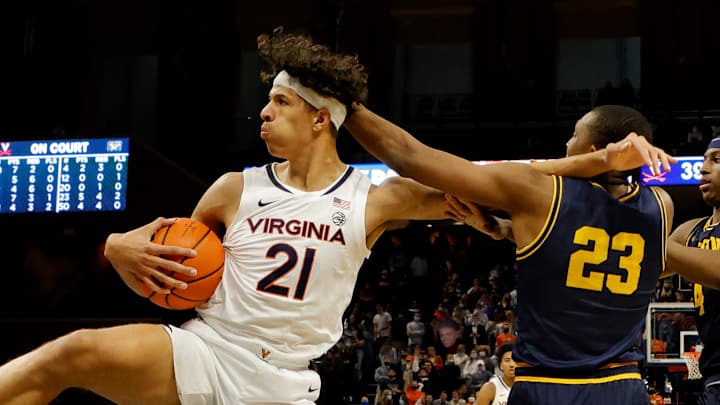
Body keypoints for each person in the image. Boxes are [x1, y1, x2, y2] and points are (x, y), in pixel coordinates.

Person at [0, 29, 456, 405]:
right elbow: (174, 280)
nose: (264, 111)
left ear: (320, 120)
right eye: (268, 100)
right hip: (208, 349)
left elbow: (473, 194)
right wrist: (118, 248)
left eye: (281, 102)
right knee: (73, 351)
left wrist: (491, 216)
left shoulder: (373, 199)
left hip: (285, 380)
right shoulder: (234, 188)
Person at [344, 103, 677, 404]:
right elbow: (584, 247)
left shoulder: (540, 191)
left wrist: (346, 104)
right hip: (623, 385)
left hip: (547, 385)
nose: (567, 143)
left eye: (574, 135)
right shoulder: (662, 205)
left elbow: (409, 156)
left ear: (592, 152)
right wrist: (503, 230)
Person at [663, 136, 720, 405]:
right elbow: (642, 266)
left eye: (717, 160)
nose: (703, 168)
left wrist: (647, 237)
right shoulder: (690, 231)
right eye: (704, 160)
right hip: (713, 373)